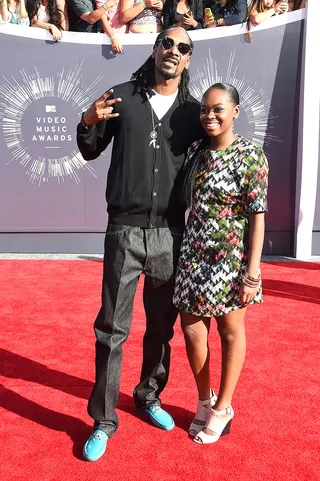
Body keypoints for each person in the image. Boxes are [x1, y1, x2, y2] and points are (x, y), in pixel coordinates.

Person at [76, 26, 204, 461]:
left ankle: (149, 395)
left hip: (172, 233)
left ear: (188, 60)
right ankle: (103, 420)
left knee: (161, 329)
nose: (173, 51)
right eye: (167, 43)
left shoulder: (192, 114)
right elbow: (90, 149)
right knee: (111, 330)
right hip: (123, 232)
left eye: (182, 48)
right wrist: (87, 121)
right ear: (154, 48)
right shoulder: (122, 95)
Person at [173, 83, 268, 444]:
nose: (209, 116)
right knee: (193, 331)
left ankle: (224, 408)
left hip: (229, 260)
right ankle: (204, 399)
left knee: (230, 333)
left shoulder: (250, 156)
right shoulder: (197, 149)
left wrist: (252, 273)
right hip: (192, 255)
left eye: (218, 109)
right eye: (204, 110)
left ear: (235, 112)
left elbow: (257, 218)